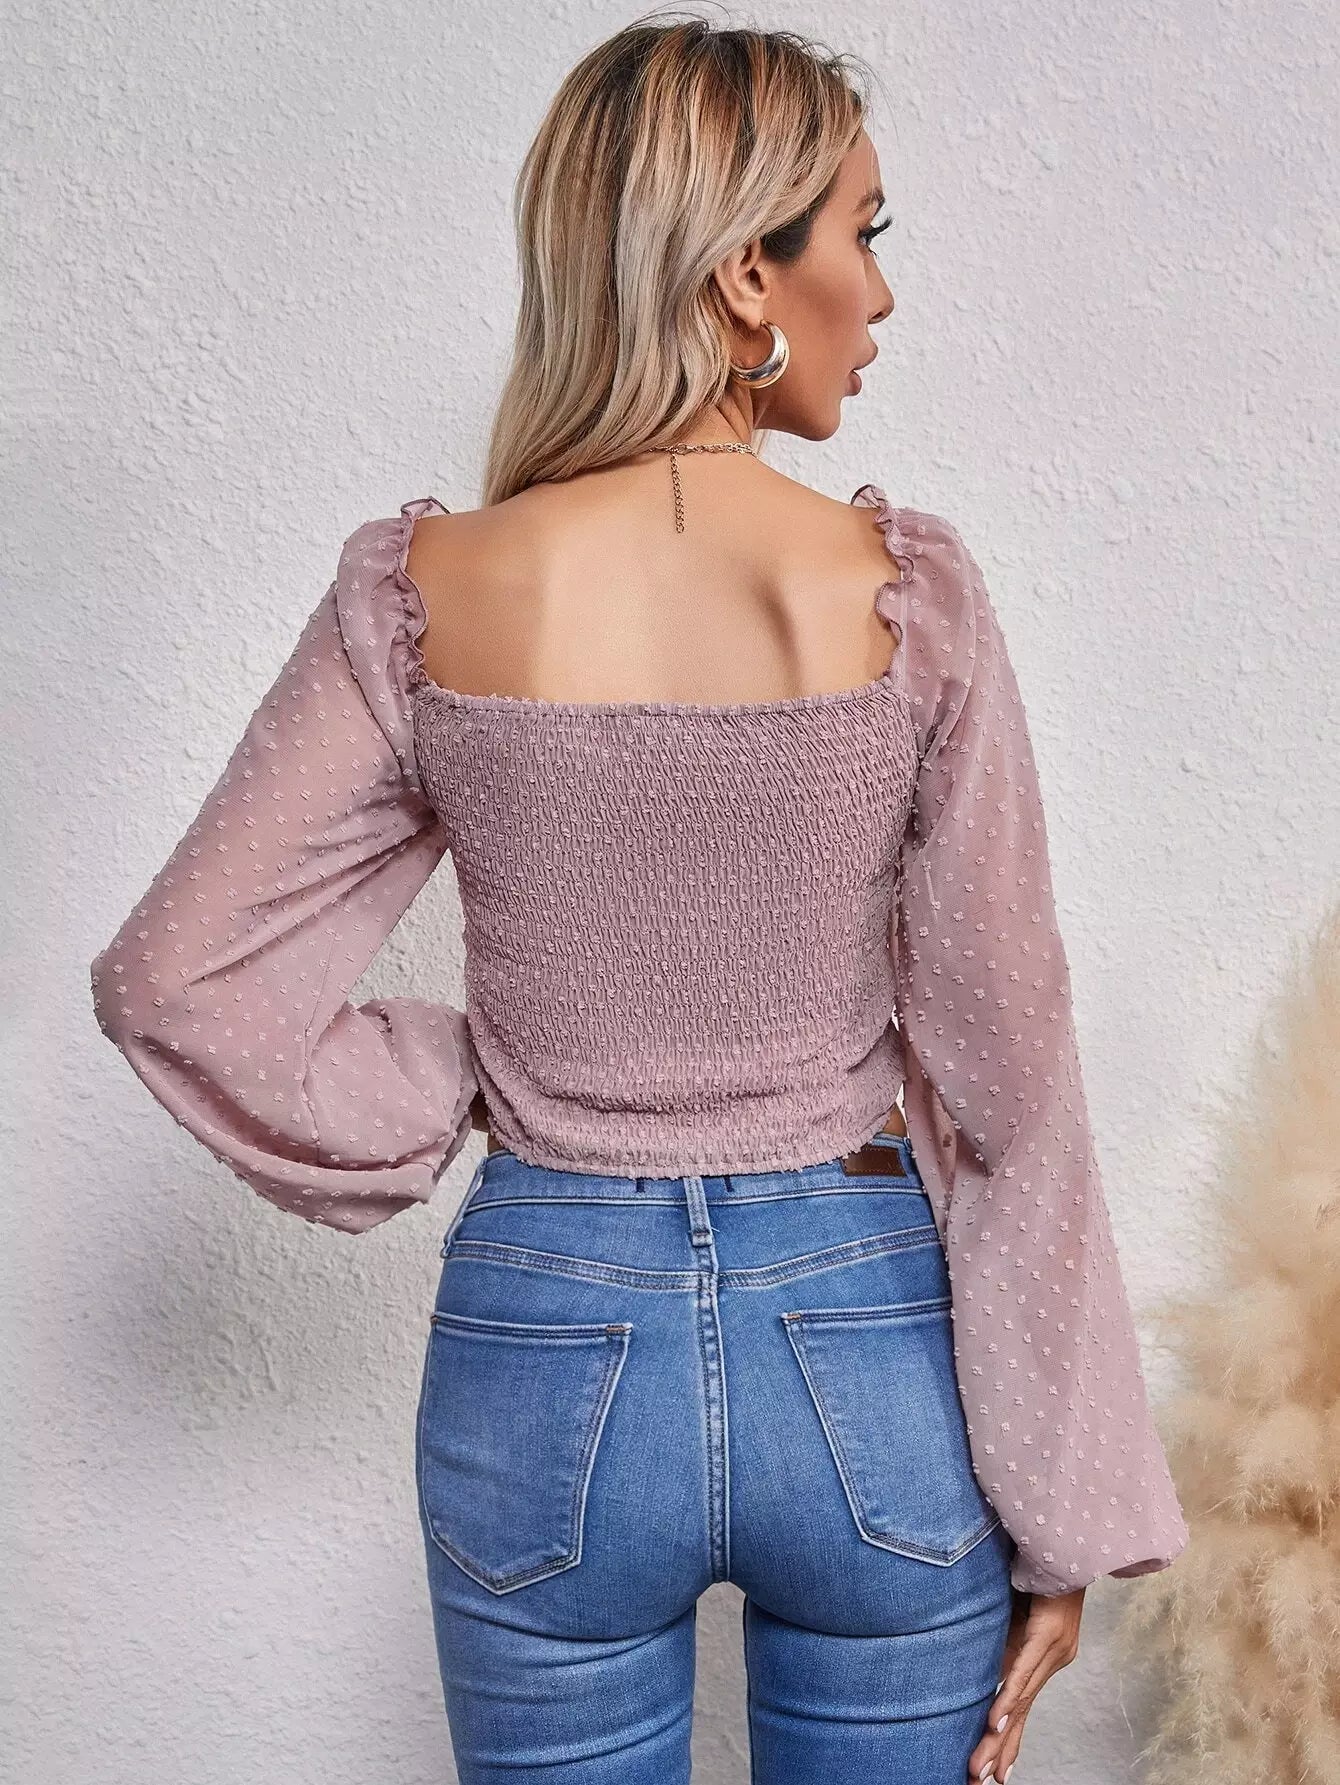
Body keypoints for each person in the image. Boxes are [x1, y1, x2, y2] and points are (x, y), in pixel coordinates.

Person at [88, 15, 1189, 1783]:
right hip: (865, 1338)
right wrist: (1067, 1510)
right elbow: (1009, 1070)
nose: (881, 294)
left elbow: (173, 977)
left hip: (547, 1338)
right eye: (863, 235)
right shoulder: (906, 596)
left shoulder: (427, 592)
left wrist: (467, 1075)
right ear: (748, 272)